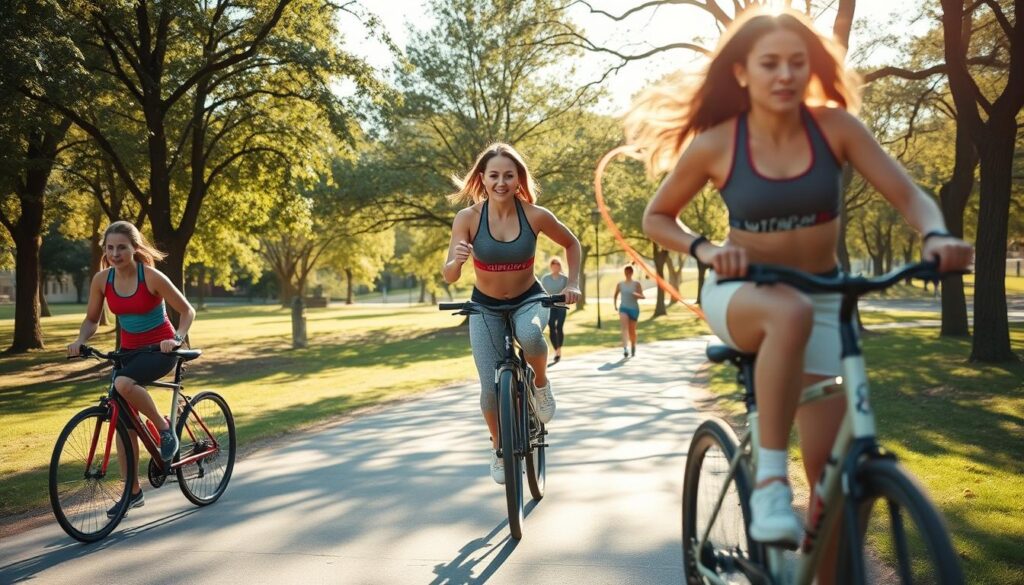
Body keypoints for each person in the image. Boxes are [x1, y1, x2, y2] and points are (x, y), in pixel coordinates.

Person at [629, 5, 973, 568]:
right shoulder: (719, 143)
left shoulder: (836, 129)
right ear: (742, 73)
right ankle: (767, 486)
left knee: (835, 482)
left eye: (796, 62)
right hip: (744, 294)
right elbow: (657, 217)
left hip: (824, 298)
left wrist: (935, 233)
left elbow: (908, 195)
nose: (785, 75)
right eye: (770, 64)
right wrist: (709, 250)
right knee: (788, 312)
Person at [442, 143, 582, 484]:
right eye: (494, 175)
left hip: (528, 300)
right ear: (482, 179)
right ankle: (498, 446)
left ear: (519, 178)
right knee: (489, 389)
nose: (501, 182)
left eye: (509, 175)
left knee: (532, 335)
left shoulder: (535, 215)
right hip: (484, 307)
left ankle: (540, 383)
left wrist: (574, 284)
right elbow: (449, 275)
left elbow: (572, 243)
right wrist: (457, 260)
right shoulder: (467, 219)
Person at [68, 221, 196, 515]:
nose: (115, 253)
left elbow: (187, 310)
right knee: (124, 426)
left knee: (123, 385)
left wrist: (176, 339)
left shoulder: (150, 276)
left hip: (159, 350)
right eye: (110, 248)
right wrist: (79, 340)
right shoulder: (102, 280)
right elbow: (91, 319)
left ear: (134, 249)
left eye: (122, 247)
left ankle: (165, 430)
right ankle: (132, 492)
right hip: (128, 354)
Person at [540, 257, 569, 364]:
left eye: (557, 264)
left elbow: (568, 292)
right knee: (552, 327)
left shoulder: (565, 279)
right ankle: (556, 350)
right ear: (551, 266)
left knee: (559, 327)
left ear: (560, 266)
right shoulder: (545, 278)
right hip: (550, 306)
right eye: (553, 264)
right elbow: (542, 292)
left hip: (561, 306)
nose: (555, 266)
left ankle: (559, 350)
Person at [612, 265, 645, 357]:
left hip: (634, 309)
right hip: (623, 308)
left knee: (632, 331)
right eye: (626, 272)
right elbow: (615, 295)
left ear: (632, 273)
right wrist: (615, 306)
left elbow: (643, 296)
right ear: (624, 273)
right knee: (624, 328)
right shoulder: (620, 284)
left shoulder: (636, 284)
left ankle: (633, 345)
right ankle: (625, 348)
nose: (628, 274)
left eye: (629, 272)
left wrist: (637, 295)